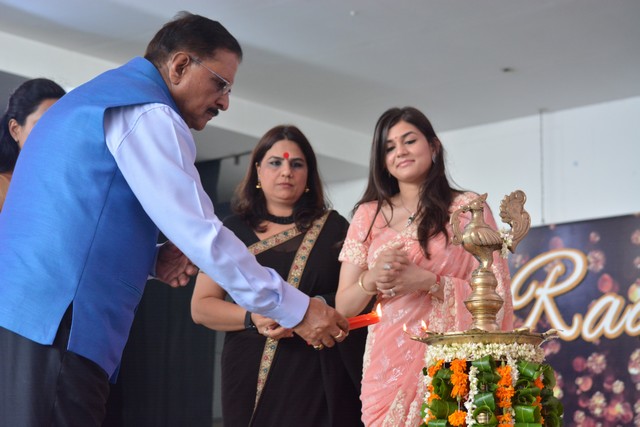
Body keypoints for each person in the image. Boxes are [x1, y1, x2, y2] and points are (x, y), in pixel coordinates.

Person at [0, 12, 347, 426]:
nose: (225, 102)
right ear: (180, 65)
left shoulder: (91, 101)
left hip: (21, 322)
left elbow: (72, 217)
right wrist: (299, 310)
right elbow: (201, 233)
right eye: (220, 84)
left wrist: (149, 257)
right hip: (56, 326)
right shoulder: (146, 110)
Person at [335, 106, 514, 426]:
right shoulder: (368, 215)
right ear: (382, 161)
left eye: (409, 141)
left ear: (433, 146)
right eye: (389, 147)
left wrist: (430, 282)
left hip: (451, 359)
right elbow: (344, 307)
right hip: (387, 363)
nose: (400, 152)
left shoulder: (468, 209)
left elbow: (496, 294)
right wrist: (372, 278)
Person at [191, 124, 365, 427]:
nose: (286, 171)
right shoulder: (231, 232)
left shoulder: (335, 229)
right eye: (275, 163)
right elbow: (202, 307)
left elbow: (355, 297)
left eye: (297, 164)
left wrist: (310, 307)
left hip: (317, 369)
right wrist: (253, 318)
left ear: (308, 174)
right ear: (258, 170)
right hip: (249, 368)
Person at [0, 78, 66, 211]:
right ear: (15, 129)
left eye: (61, 125)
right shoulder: (3, 189)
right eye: (43, 124)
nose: (54, 133)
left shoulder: (66, 189)